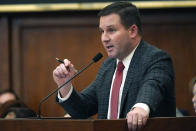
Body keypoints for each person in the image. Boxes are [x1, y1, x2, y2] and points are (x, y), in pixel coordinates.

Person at [53, 2, 176, 131]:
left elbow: (153, 86)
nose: (104, 38)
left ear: (132, 31)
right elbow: (82, 110)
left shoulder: (156, 59)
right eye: (102, 31)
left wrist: (141, 107)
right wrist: (65, 85)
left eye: (111, 30)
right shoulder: (108, 66)